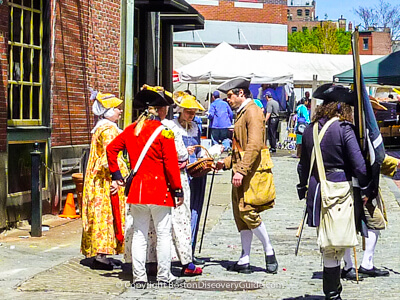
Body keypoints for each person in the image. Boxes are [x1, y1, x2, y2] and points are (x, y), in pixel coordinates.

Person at [297, 84, 372, 300]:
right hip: (338, 190)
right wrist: (368, 186)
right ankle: (332, 293)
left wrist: (303, 189)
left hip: (317, 190)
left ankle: (332, 291)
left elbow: (303, 165)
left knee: (329, 243)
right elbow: (358, 164)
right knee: (334, 243)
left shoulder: (310, 129)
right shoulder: (343, 128)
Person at [106, 85, 184, 289]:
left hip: (137, 191)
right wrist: (177, 189)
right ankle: (164, 276)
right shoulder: (165, 133)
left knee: (140, 234)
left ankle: (139, 277)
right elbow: (171, 164)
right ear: (159, 110)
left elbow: (111, 149)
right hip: (160, 191)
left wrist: (117, 175)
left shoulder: (131, 130)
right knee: (163, 234)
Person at [215, 77, 278, 275]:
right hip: (241, 171)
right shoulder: (242, 112)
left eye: (230, 96)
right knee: (240, 216)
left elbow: (254, 145)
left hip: (251, 172)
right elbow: (238, 148)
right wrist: (225, 164)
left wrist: (241, 170)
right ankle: (245, 257)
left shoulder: (252, 112)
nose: (228, 100)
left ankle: (269, 250)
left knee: (248, 211)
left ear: (241, 93)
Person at [341, 98, 399, 280]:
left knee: (373, 223)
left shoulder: (361, 130)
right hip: (355, 185)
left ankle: (365, 263)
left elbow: (376, 156)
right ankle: (350, 265)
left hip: (363, 184)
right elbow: (366, 158)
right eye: (372, 110)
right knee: (352, 225)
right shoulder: (354, 131)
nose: (374, 114)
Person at [144, 104, 203, 276]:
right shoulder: (170, 129)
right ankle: (185, 262)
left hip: (153, 179)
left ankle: (152, 261)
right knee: (179, 219)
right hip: (174, 177)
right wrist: (185, 152)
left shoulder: (140, 129)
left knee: (154, 222)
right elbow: (180, 155)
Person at [81, 90, 128, 271]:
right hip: (105, 180)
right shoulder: (108, 130)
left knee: (104, 214)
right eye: (117, 108)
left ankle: (102, 255)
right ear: (108, 111)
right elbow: (110, 156)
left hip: (102, 178)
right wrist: (117, 178)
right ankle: (101, 257)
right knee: (105, 215)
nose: (120, 111)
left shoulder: (103, 127)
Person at [172, 93, 208, 265]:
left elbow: (200, 150)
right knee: (180, 212)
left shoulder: (195, 127)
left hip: (196, 171)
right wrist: (185, 151)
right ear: (180, 111)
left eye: (193, 113)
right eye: (188, 112)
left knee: (194, 210)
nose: (191, 116)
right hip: (180, 172)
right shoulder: (173, 127)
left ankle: (190, 249)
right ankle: (177, 251)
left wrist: (203, 157)